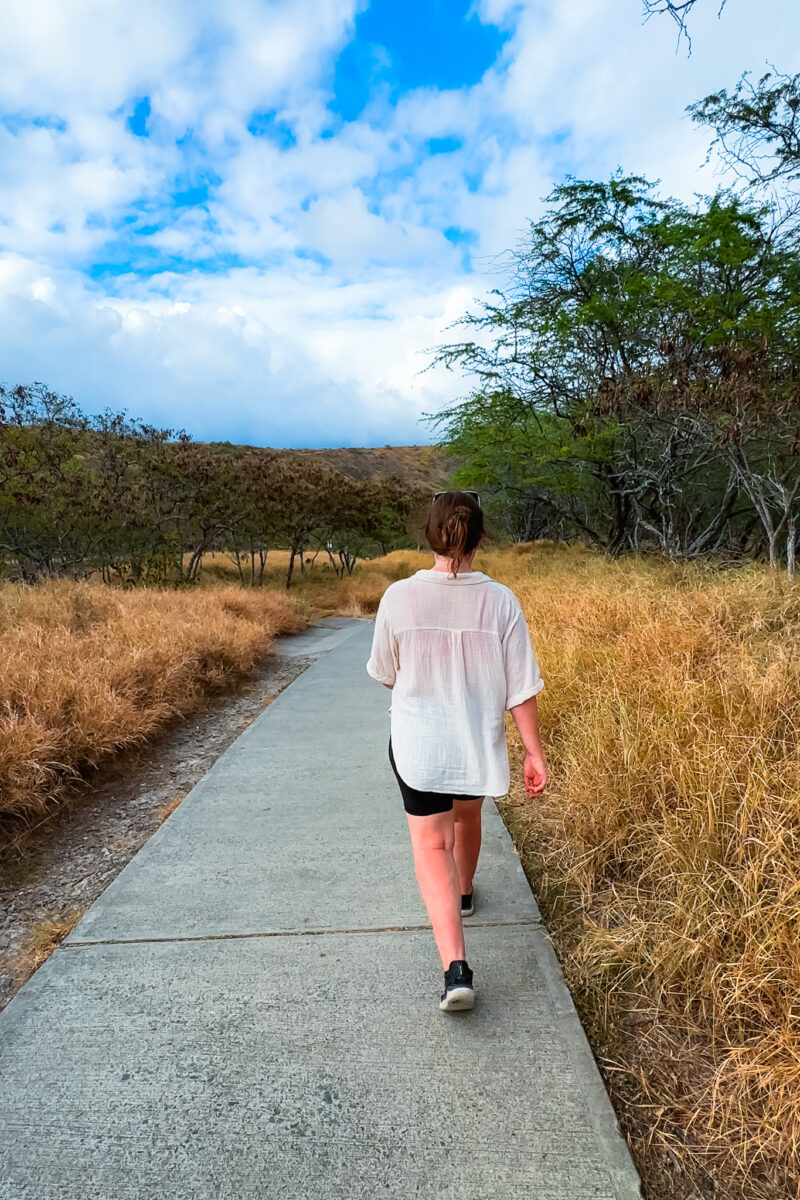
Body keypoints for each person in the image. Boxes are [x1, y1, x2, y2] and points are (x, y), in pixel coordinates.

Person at [366, 490, 547, 1013]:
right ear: (480, 537)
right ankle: (465, 891)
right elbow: (521, 687)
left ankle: (456, 970)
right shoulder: (501, 600)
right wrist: (534, 753)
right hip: (476, 742)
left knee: (430, 846)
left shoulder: (399, 596)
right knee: (467, 819)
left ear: (430, 534)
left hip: (419, 746)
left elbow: (385, 674)